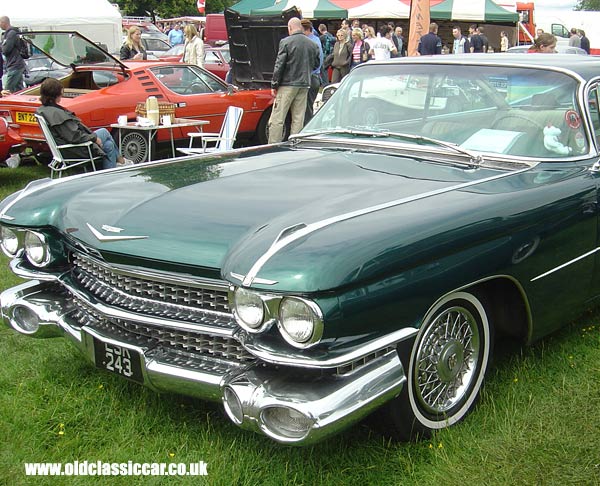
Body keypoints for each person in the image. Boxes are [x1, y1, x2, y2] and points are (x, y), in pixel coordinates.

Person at [36, 78, 132, 169]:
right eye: (61, 93)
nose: (62, 95)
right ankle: (121, 161)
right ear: (56, 94)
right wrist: (93, 138)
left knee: (109, 145)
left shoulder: (45, 110)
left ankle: (110, 174)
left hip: (66, 149)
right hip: (75, 150)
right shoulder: (56, 114)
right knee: (104, 132)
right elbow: (74, 136)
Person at [267, 17, 320, 144]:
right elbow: (316, 64)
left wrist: (274, 84)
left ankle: (273, 145)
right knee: (298, 118)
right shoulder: (312, 44)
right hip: (304, 83)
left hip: (287, 84)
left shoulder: (286, 42)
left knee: (278, 118)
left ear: (290, 28)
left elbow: (279, 65)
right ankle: (295, 145)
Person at [301, 19, 322, 124]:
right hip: (315, 77)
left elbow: (317, 63)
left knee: (307, 108)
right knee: (308, 107)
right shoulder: (316, 40)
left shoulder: (310, 42)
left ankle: (306, 129)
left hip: (310, 77)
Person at [0, 16, 26, 93]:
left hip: (14, 65)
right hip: (17, 64)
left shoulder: (11, 34)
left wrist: (2, 46)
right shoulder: (11, 33)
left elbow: (5, 50)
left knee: (7, 91)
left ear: (4, 23)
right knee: (19, 90)